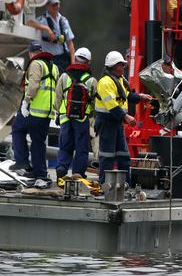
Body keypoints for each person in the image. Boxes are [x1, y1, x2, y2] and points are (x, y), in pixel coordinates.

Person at [94, 51, 152, 184]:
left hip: (117, 122)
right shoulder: (105, 83)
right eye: (121, 65)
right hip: (107, 122)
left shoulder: (118, 80)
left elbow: (126, 95)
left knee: (124, 156)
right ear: (114, 66)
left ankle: (126, 183)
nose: (123, 67)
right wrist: (126, 117)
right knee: (107, 156)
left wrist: (140, 96)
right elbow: (112, 106)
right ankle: (105, 184)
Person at [10, 42, 60, 180]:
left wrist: (26, 101)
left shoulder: (35, 64)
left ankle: (22, 161)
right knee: (38, 142)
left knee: (17, 129)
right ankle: (40, 172)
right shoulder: (54, 67)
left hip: (34, 110)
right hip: (47, 112)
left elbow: (34, 84)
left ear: (30, 53)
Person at [54, 47, 97, 179]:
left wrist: (58, 113)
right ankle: (78, 173)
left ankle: (62, 167)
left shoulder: (64, 76)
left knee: (65, 144)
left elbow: (58, 97)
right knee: (81, 148)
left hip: (65, 118)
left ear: (75, 59)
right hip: (82, 119)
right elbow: (95, 103)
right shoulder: (91, 80)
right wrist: (92, 116)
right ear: (88, 62)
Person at [26, 0, 75, 74]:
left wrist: (73, 62)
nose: (56, 7)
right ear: (47, 6)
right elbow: (29, 23)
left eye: (57, 4)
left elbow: (70, 43)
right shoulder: (43, 20)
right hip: (51, 59)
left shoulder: (63, 20)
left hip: (64, 59)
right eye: (53, 5)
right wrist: (47, 29)